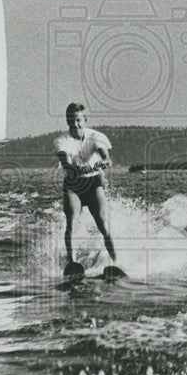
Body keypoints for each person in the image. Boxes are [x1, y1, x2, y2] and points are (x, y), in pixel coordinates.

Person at [53, 103, 117, 268]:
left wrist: (103, 163)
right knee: (72, 220)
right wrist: (78, 168)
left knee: (103, 222)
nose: (75, 124)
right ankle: (72, 264)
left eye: (78, 120)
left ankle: (116, 261)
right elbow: (66, 164)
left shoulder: (96, 136)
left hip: (93, 182)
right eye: (71, 121)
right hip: (73, 185)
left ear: (85, 119)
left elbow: (106, 157)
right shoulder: (61, 141)